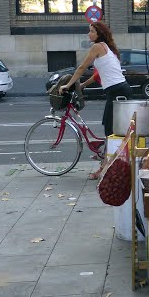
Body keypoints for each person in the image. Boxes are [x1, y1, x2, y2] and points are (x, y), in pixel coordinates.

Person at [60, 21, 130, 179]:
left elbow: (82, 67)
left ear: (99, 34)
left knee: (111, 131)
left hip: (117, 91)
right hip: (120, 89)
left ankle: (106, 169)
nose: (88, 34)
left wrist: (68, 84)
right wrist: (83, 84)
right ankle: (108, 164)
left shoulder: (97, 47)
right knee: (110, 128)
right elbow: (98, 74)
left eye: (92, 31)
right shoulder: (107, 48)